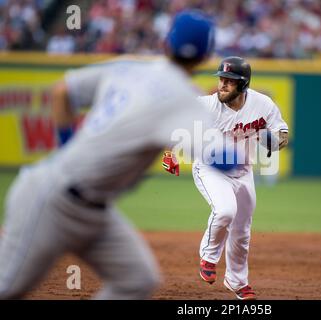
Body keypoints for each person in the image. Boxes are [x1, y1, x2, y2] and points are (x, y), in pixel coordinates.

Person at [0, 10, 218, 300]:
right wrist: (256, 139)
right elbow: (221, 158)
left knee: (137, 279)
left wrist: (67, 147)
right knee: (6, 288)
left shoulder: (129, 68)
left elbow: (62, 91)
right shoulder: (186, 100)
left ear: (166, 42)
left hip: (91, 208)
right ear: (206, 56)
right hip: (53, 201)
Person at [162, 56, 289, 300]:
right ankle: (209, 257)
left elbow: (282, 132)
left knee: (241, 233)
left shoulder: (263, 104)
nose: (222, 84)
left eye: (229, 80)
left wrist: (275, 140)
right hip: (209, 168)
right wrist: (170, 152)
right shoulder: (207, 105)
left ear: (243, 84)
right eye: (221, 78)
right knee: (225, 211)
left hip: (243, 172)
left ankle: (237, 282)